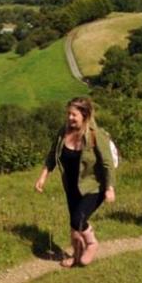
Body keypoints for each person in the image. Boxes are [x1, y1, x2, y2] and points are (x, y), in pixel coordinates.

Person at [35, 96, 119, 267]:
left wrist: (110, 188)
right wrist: (43, 176)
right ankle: (76, 255)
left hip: (94, 187)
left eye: (74, 115)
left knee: (77, 220)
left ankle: (92, 244)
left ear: (85, 115)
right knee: (74, 226)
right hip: (71, 186)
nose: (69, 118)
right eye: (68, 114)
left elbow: (107, 163)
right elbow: (52, 155)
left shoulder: (96, 135)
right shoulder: (63, 131)